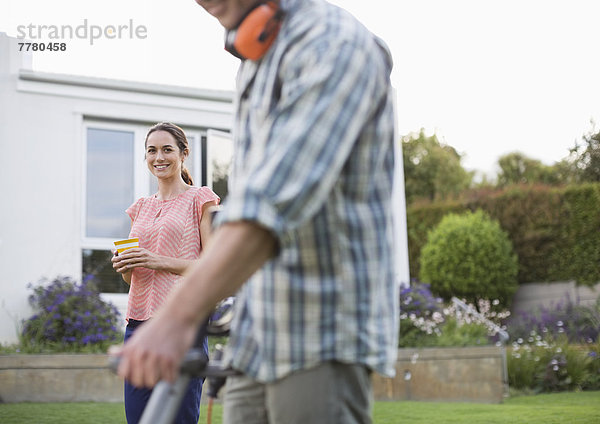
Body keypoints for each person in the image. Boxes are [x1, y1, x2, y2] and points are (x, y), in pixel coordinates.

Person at [111, 1, 399, 423]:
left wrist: (176, 318)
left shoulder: (330, 42)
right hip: (254, 336)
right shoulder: (257, 57)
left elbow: (267, 205)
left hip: (319, 330)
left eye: (165, 149)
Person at [111, 122, 219, 424]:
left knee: (177, 418)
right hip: (137, 327)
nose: (159, 157)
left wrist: (157, 259)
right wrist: (125, 265)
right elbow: (132, 279)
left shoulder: (201, 199)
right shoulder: (141, 207)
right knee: (138, 419)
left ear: (183, 154)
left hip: (181, 324)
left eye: (167, 149)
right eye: (152, 150)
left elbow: (213, 266)